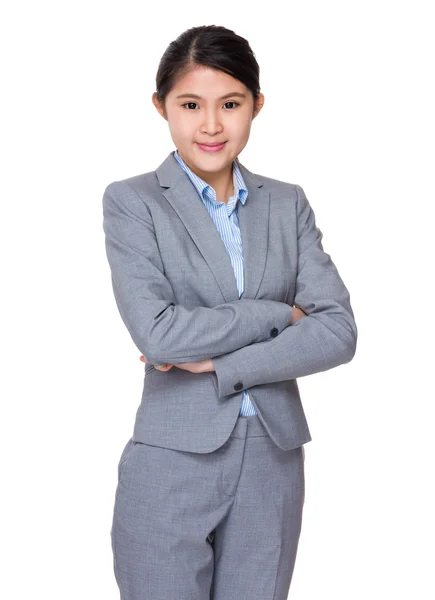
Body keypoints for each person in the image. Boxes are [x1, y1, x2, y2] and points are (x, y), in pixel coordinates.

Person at [102, 24, 357, 600]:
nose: (211, 125)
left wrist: (220, 365)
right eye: (190, 104)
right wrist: (277, 312)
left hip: (273, 457)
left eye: (231, 104)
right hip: (173, 458)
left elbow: (338, 330)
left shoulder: (287, 203)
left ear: (256, 106)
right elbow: (159, 333)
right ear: (161, 105)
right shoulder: (132, 201)